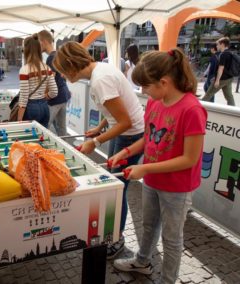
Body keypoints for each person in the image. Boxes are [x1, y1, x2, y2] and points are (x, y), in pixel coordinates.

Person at [111, 48, 207, 284]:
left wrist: (144, 169)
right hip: (153, 181)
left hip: (177, 187)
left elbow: (189, 159)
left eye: (146, 86)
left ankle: (168, 279)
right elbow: (148, 137)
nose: (143, 91)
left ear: (163, 82)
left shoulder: (192, 109)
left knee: (172, 239)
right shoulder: (155, 102)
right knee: (149, 225)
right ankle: (142, 261)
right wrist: (126, 152)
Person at [53, 41, 144, 259]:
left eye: (63, 73)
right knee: (114, 183)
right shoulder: (100, 71)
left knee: (116, 188)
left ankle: (117, 238)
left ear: (72, 65)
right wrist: (100, 127)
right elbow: (114, 110)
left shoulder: (100, 80)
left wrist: (95, 142)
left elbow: (125, 122)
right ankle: (114, 232)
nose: (64, 78)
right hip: (124, 132)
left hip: (130, 135)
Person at [17, 34, 58, 127]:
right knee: (41, 137)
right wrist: (43, 96)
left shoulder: (25, 70)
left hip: (31, 108)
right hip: (44, 107)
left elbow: (23, 98)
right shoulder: (47, 68)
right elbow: (54, 92)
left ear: (26, 51)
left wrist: (19, 119)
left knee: (29, 138)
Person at [38, 29, 71, 136]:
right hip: (63, 96)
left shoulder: (51, 58)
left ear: (43, 42)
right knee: (62, 130)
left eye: (38, 43)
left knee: (43, 128)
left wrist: (44, 96)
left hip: (55, 99)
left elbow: (51, 82)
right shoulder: (58, 55)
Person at [202, 37, 235, 105]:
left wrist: (217, 80)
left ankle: (197, 108)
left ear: (222, 44)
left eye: (218, 44)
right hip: (229, 78)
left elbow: (221, 68)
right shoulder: (231, 53)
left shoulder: (223, 54)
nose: (217, 46)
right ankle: (233, 109)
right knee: (229, 97)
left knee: (208, 94)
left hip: (222, 79)